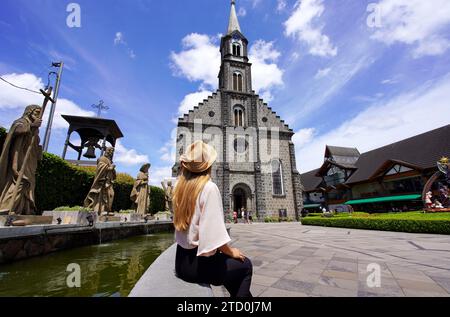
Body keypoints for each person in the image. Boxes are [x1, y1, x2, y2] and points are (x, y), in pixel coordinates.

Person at [173, 141, 253, 298]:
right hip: (200, 266)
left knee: (234, 280)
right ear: (207, 165)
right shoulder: (209, 188)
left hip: (181, 261)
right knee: (246, 265)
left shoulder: (179, 186)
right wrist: (232, 252)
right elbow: (214, 234)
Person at [0, 105, 43, 215]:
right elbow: (16, 141)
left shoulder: (35, 130)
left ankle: (24, 209)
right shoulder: (21, 122)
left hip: (29, 161)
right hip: (20, 158)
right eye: (36, 112)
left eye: (40, 113)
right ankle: (6, 208)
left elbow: (35, 144)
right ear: (29, 112)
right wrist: (31, 126)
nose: (39, 115)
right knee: (20, 181)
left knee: (29, 184)